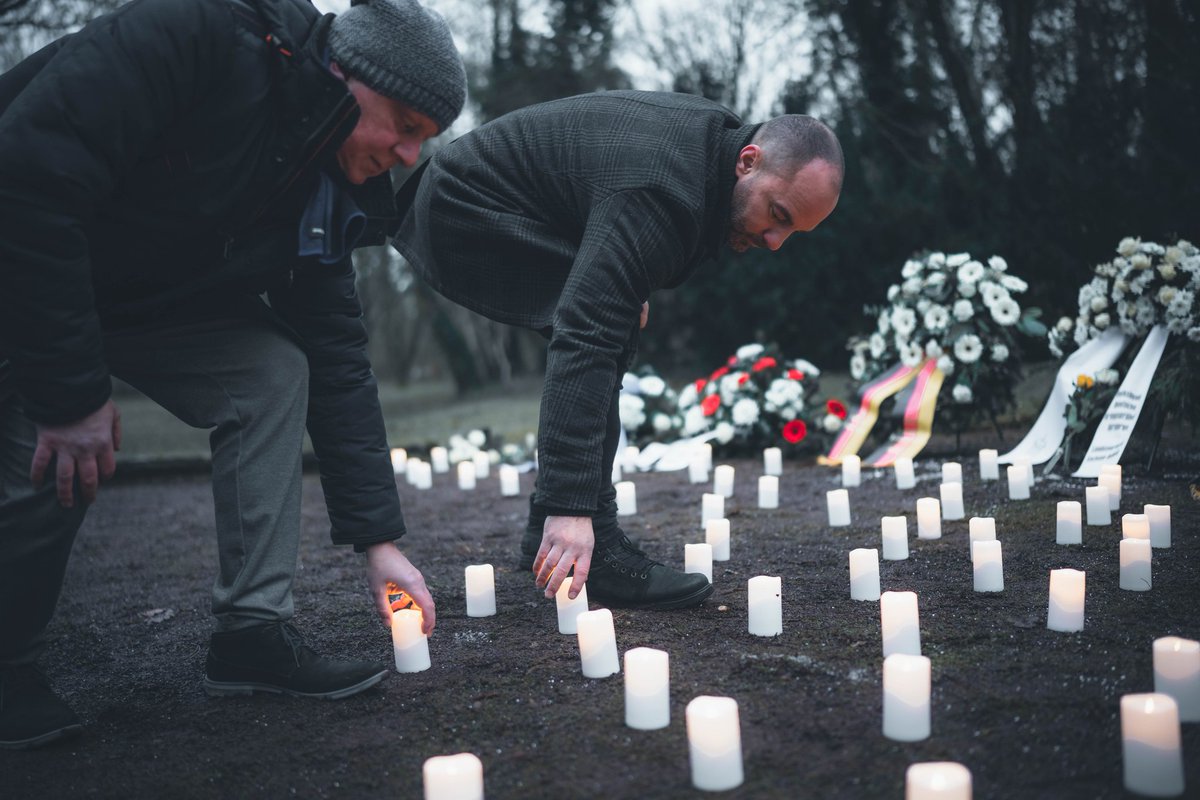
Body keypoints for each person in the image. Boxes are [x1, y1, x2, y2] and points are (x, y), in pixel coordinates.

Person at [0, 0, 466, 749]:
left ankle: (252, 634)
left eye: (425, 139)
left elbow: (338, 359)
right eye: (404, 125)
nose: (410, 154)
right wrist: (71, 394)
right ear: (343, 77)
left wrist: (378, 539)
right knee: (48, 436)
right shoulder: (203, 35)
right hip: (24, 258)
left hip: (132, 296)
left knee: (271, 370)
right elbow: (27, 176)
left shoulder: (325, 183)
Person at [392, 90, 843, 612]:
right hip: (467, 208)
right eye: (778, 214)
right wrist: (571, 507)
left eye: (793, 232)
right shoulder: (665, 190)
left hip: (496, 198)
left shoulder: (710, 151)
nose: (775, 242)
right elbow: (586, 334)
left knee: (613, 315)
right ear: (748, 162)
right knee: (601, 327)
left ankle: (548, 531)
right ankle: (587, 538)